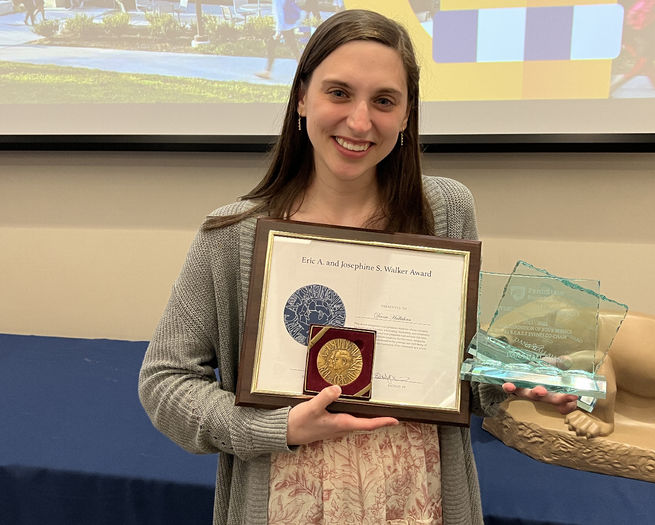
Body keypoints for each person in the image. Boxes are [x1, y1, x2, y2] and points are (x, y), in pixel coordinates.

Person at [138, 9, 578, 525]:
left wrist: (513, 379)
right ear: (302, 97)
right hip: (287, 498)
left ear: (408, 114)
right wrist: (273, 429)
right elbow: (165, 382)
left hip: (418, 496)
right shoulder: (233, 232)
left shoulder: (447, 209)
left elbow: (453, 371)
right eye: (339, 92)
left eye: (384, 101)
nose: (360, 121)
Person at [255, 0, 304, 80]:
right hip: (288, 25)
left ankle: (267, 71)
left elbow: (279, 14)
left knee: (271, 46)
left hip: (283, 26)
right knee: (294, 48)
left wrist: (278, 31)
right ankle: (305, 68)